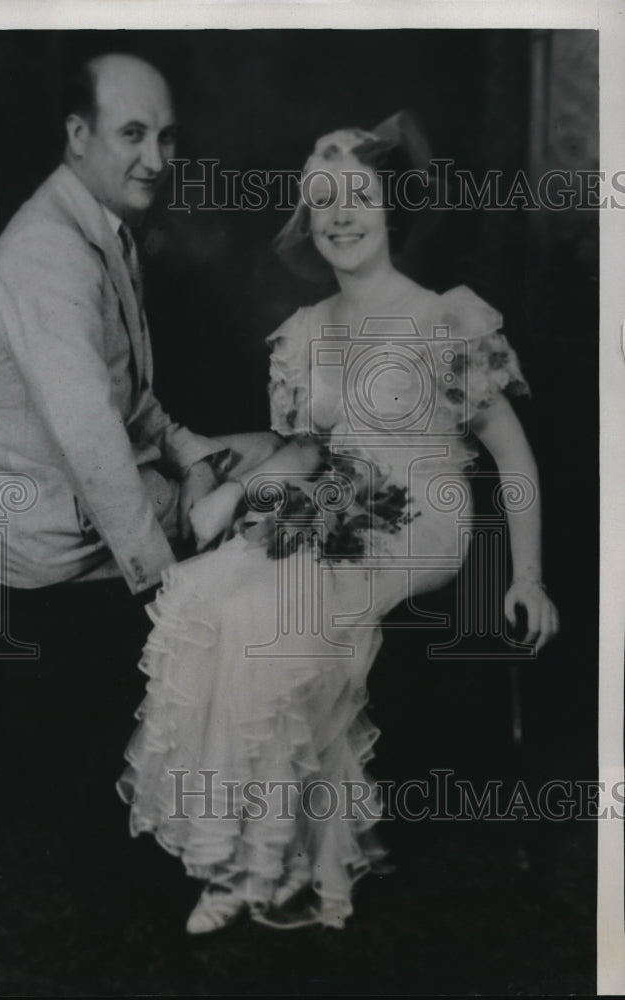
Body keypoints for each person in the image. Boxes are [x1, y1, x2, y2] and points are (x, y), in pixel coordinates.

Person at [116, 119, 560, 933]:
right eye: (323, 201)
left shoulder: (443, 321)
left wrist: (526, 576)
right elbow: (302, 453)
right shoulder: (304, 331)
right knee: (217, 604)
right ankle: (237, 862)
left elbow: (514, 458)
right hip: (334, 504)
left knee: (286, 617)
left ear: (391, 207)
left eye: (359, 196)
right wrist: (232, 493)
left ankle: (286, 864)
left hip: (425, 517)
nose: (341, 214)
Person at [0, 53, 275, 841]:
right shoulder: (46, 257)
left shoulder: (98, 229)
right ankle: (227, 774)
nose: (156, 159)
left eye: (164, 136)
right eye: (132, 134)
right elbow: (94, 444)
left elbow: (131, 402)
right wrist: (167, 590)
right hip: (53, 525)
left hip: (94, 482)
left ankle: (233, 755)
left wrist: (195, 455)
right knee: (272, 494)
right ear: (76, 133)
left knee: (271, 451)